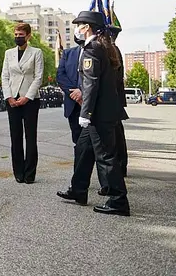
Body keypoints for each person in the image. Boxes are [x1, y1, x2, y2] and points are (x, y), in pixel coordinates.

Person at [57, 11, 130, 216]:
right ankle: (78, 190)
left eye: (79, 25)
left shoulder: (92, 48)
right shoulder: (103, 46)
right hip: (104, 111)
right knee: (83, 150)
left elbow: (91, 84)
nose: (77, 29)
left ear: (86, 27)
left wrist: (86, 113)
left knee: (106, 157)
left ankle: (118, 200)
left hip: (99, 114)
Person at [1, 22, 44, 184]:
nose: (18, 37)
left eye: (21, 35)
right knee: (16, 136)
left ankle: (30, 173)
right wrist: (9, 97)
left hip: (30, 99)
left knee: (30, 137)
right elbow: (5, 76)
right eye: (16, 35)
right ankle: (18, 171)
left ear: (28, 36)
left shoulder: (36, 53)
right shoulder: (8, 53)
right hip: (12, 99)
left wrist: (27, 97)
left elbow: (38, 77)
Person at [108, 24, 129, 179]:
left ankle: (119, 167)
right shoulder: (113, 49)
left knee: (116, 138)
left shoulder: (112, 50)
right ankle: (120, 167)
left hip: (112, 100)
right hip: (114, 100)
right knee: (117, 136)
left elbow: (113, 79)